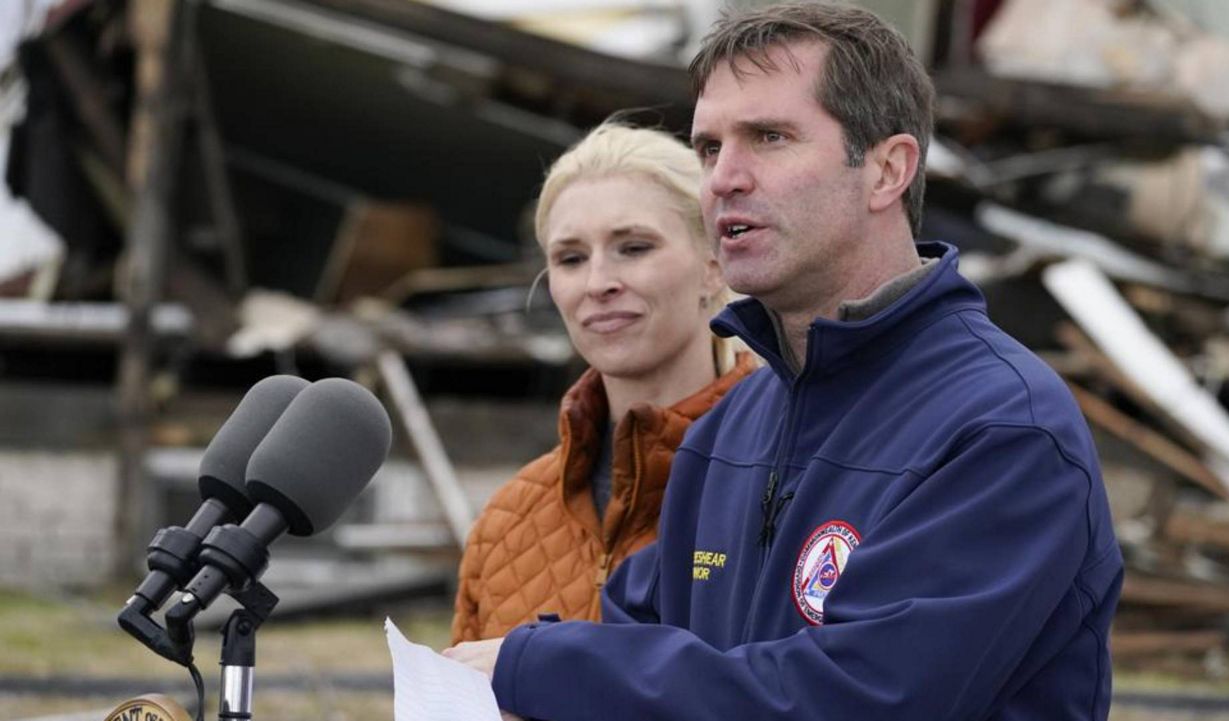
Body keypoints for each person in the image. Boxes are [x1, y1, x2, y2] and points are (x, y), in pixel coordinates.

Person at [446, 4, 1123, 720]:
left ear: (888, 169)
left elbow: (856, 699)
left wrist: (541, 664)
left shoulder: (1003, 428)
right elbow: (632, 649)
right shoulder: (727, 432)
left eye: (768, 137)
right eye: (709, 148)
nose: (725, 177)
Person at [450, 122, 756, 644]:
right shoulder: (507, 520)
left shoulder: (780, 486)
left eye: (634, 248)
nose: (598, 284)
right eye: (570, 259)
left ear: (713, 266)